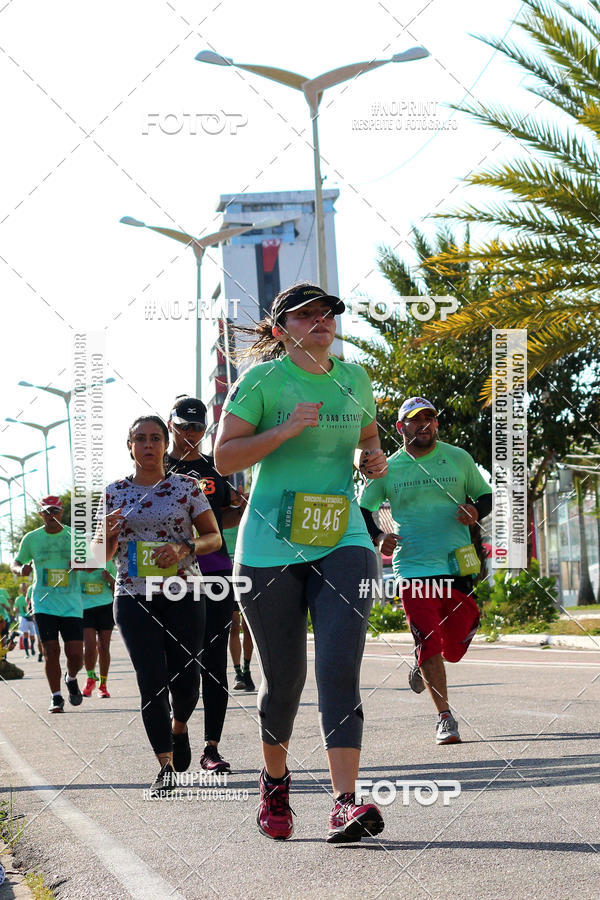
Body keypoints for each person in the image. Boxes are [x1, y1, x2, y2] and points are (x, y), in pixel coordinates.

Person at [215, 282, 388, 843]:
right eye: (307, 315)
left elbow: (367, 438)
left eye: (328, 314)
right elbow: (224, 456)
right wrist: (285, 429)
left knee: (339, 667)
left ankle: (345, 802)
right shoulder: (261, 382)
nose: (321, 321)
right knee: (284, 680)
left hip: (343, 538)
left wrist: (373, 457)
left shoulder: (354, 378)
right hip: (268, 547)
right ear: (279, 329)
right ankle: (275, 780)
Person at [98, 415, 221, 797]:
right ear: (129, 445)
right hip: (134, 596)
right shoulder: (111, 493)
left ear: (166, 445)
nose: (148, 445)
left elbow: (214, 538)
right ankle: (164, 766)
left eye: (155, 438)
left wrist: (185, 548)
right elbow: (93, 556)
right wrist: (108, 534)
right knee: (150, 682)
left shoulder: (186, 488)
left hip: (183, 592)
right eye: (140, 439)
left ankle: (179, 726)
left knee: (186, 680)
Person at [359, 397, 493, 745]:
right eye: (416, 420)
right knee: (430, 642)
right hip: (413, 569)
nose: (425, 425)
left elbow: (485, 496)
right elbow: (362, 507)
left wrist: (475, 511)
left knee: (453, 647)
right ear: (402, 427)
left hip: (457, 566)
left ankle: (424, 658)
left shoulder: (458, 458)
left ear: (436, 424)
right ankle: (445, 718)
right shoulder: (389, 468)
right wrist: (378, 536)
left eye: (430, 419)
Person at [167, 395, 246, 773]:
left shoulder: (215, 469)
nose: (190, 434)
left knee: (214, 661)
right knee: (179, 661)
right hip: (168, 572)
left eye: (197, 428)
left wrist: (240, 509)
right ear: (171, 425)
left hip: (214, 567)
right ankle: (177, 728)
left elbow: (225, 517)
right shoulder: (156, 464)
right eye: (183, 426)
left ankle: (211, 747)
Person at [11, 496, 84, 712]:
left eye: (56, 511)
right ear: (40, 514)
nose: (52, 515)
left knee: (75, 654)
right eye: (47, 511)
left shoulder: (75, 536)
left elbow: (92, 563)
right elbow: (17, 562)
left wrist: (81, 565)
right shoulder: (32, 538)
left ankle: (71, 678)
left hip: (72, 603)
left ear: (61, 513)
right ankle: (56, 696)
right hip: (44, 602)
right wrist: (19, 570)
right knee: (51, 650)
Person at [224, 502, 256, 693]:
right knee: (233, 626)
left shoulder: (249, 516)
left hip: (245, 572)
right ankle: (237, 673)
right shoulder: (220, 516)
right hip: (225, 574)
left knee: (248, 626)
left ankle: (247, 669)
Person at [79, 560, 116, 698]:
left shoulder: (107, 562)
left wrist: (110, 579)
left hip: (105, 607)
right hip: (85, 608)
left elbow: (117, 587)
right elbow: (69, 586)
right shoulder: (77, 562)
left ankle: (103, 685)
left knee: (103, 647)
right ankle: (90, 678)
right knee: (89, 645)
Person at [15, 583, 36, 658]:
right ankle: (27, 653)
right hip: (23, 618)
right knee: (25, 635)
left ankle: (32, 647)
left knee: (32, 636)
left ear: (27, 588)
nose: (24, 589)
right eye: (22, 588)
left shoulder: (31, 597)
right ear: (20, 589)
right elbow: (15, 608)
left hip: (31, 618)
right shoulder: (18, 599)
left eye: (25, 588)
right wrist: (15, 609)